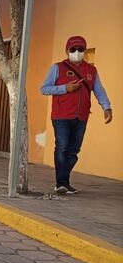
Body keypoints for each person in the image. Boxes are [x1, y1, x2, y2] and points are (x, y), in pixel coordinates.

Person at [40, 36, 112, 195]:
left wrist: (106, 108)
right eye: (73, 50)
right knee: (62, 147)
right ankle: (61, 183)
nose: (77, 52)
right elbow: (44, 89)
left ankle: (63, 180)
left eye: (80, 49)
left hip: (82, 116)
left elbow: (99, 90)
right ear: (67, 51)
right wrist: (65, 88)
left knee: (74, 151)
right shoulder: (57, 68)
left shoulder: (92, 71)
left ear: (85, 51)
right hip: (61, 116)